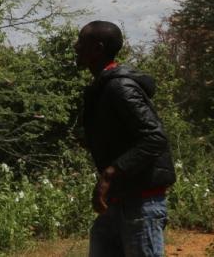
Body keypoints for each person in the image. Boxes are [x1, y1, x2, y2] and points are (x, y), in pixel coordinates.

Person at [76, 20, 176, 257]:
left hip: (140, 205)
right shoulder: (101, 87)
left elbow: (154, 137)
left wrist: (110, 174)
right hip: (118, 202)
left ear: (98, 48)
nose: (76, 47)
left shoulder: (119, 87)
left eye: (81, 42)